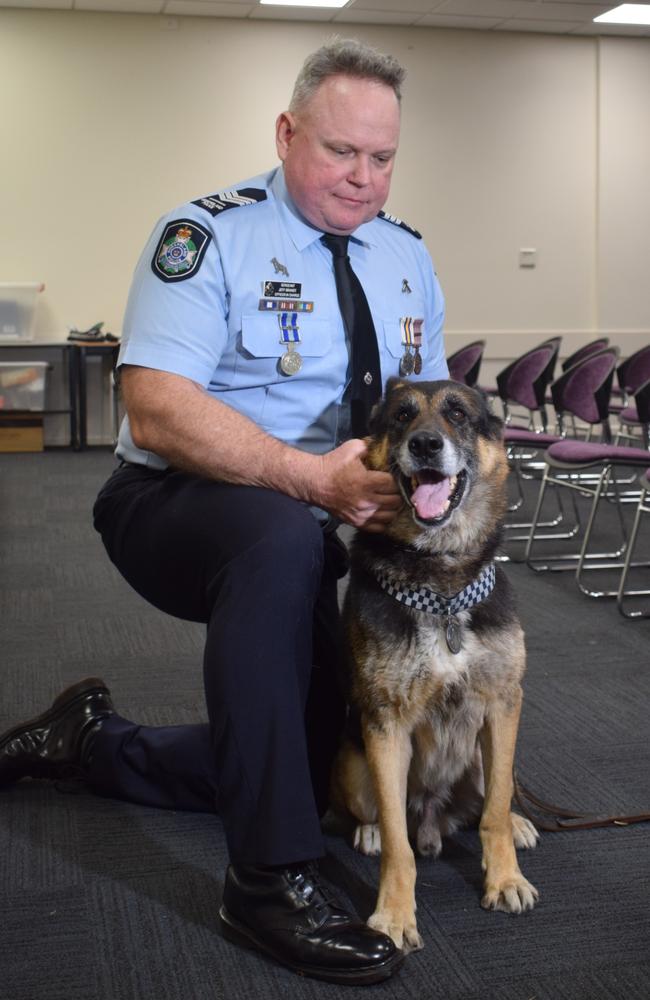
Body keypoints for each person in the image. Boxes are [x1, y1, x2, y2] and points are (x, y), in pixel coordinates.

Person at [0, 38, 447, 985]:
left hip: (323, 529)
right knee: (278, 533)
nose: (363, 179)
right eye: (340, 152)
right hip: (173, 505)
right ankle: (265, 881)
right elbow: (155, 406)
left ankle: (93, 745)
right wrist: (308, 481)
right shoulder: (208, 234)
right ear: (287, 134)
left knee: (328, 757)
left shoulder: (407, 258)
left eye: (383, 158)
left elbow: (424, 417)